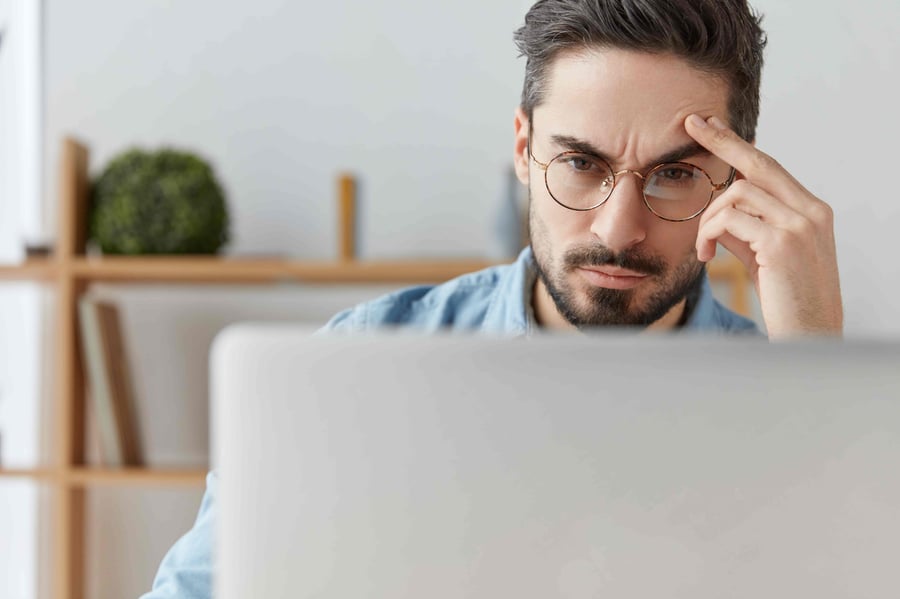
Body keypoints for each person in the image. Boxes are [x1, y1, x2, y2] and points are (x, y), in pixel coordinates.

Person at [141, 0, 842, 596]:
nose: (618, 228)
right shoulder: (361, 364)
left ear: (736, 179)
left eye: (676, 174)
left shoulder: (806, 405)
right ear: (522, 146)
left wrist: (816, 376)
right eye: (580, 163)